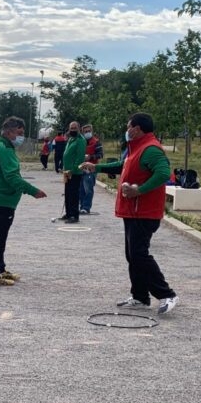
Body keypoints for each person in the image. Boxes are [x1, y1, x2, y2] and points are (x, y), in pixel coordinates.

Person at [80, 112, 178, 315]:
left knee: (139, 254)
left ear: (137, 128)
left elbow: (163, 173)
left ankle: (167, 294)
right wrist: (96, 167)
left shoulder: (150, 149)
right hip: (133, 211)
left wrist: (139, 190)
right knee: (132, 255)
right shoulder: (136, 148)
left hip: (144, 212)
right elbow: (122, 166)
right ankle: (140, 296)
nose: (126, 130)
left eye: (128, 126)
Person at [0, 116, 47, 286]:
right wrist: (33, 191)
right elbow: (12, 177)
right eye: (19, 133)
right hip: (0, 202)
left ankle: (0, 268)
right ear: (9, 132)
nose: (21, 137)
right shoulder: (5, 149)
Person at [61, 121, 86, 223]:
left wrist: (73, 169)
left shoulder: (80, 140)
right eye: (71, 128)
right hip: (67, 171)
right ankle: (68, 213)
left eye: (75, 128)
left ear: (79, 129)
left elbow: (79, 157)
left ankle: (74, 215)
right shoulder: (71, 139)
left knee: (74, 194)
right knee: (67, 193)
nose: (73, 130)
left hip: (74, 172)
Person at [79, 125, 103, 214]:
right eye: (85, 131)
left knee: (88, 189)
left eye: (89, 131)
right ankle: (81, 206)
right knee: (81, 189)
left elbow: (100, 154)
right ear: (82, 132)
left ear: (92, 131)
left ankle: (86, 207)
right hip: (81, 168)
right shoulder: (81, 142)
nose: (87, 133)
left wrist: (90, 157)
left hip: (91, 169)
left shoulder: (96, 142)